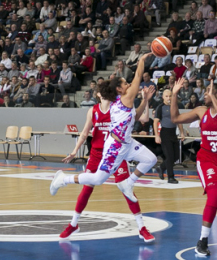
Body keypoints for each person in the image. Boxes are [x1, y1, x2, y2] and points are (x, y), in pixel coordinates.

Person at [50, 53, 158, 204]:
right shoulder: (125, 98)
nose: (129, 85)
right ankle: (63, 179)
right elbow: (138, 76)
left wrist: (145, 100)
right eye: (125, 83)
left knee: (150, 159)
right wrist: (141, 60)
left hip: (127, 142)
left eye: (128, 83)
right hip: (115, 147)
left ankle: (128, 182)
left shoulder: (123, 100)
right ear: (120, 89)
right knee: (97, 179)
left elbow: (135, 116)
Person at [58, 84, 157, 242]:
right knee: (87, 190)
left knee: (127, 190)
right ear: (98, 94)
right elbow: (84, 133)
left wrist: (145, 101)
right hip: (97, 154)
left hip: (116, 153)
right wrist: (74, 151)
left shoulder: (117, 108)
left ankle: (142, 227)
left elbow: (140, 117)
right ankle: (73, 224)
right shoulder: (93, 111)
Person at [170, 78, 217, 257]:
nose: (204, 94)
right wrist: (174, 95)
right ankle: (202, 240)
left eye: (209, 91)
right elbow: (175, 118)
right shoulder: (201, 111)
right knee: (214, 194)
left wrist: (214, 97)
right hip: (207, 158)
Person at [154, 89, 188, 183]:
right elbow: (155, 121)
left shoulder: (174, 106)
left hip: (173, 133)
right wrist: (157, 135)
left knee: (176, 156)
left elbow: (179, 120)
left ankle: (161, 167)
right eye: (166, 96)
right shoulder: (160, 107)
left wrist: (182, 133)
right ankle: (170, 177)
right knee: (169, 156)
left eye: (170, 96)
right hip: (165, 133)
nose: (168, 98)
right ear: (163, 97)